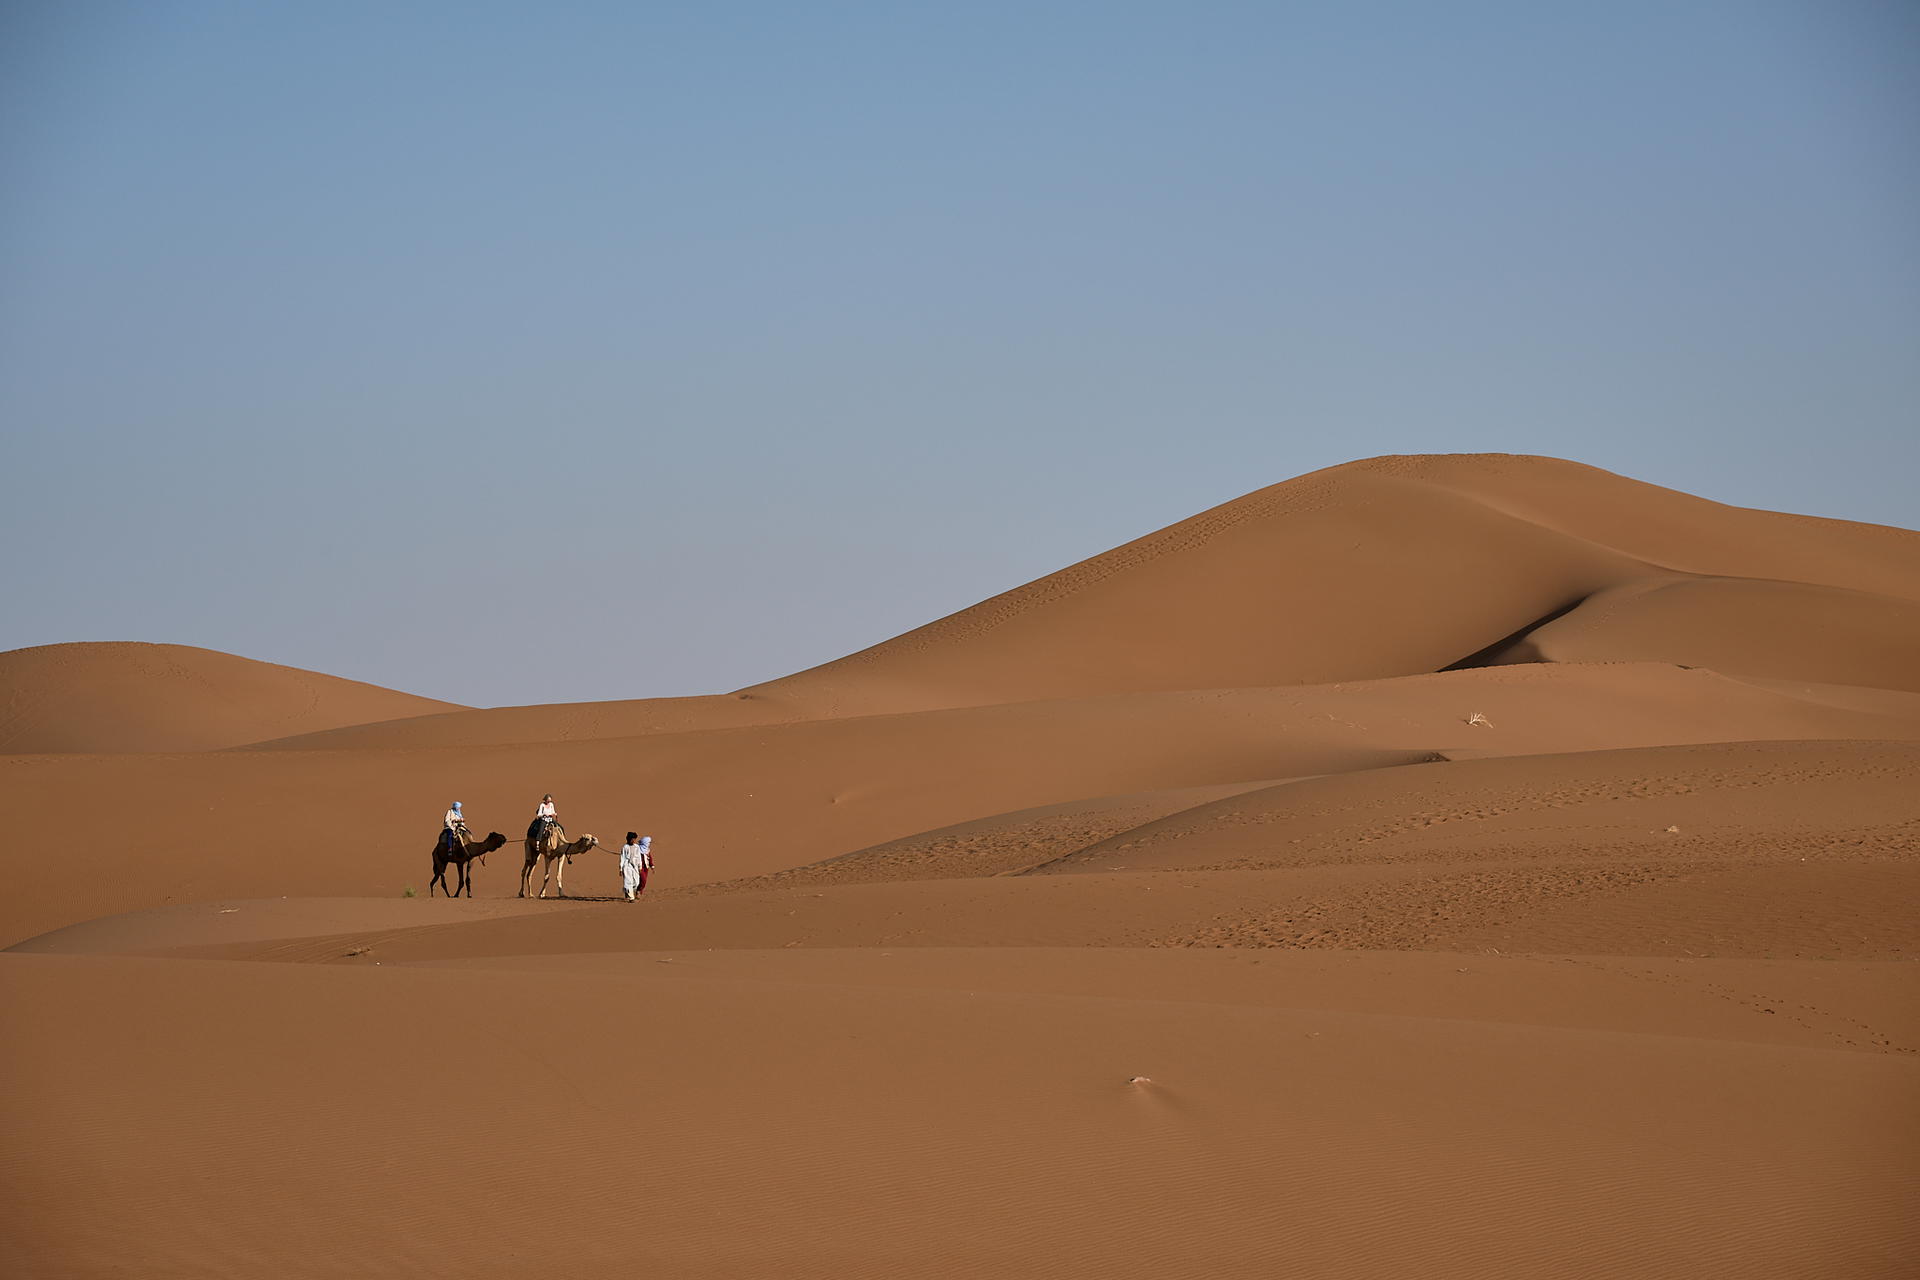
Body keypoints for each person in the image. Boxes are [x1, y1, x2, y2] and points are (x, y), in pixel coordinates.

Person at [619, 833, 652, 902]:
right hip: (627, 865)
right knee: (628, 881)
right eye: (632, 839)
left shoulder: (637, 847)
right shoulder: (625, 847)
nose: (634, 840)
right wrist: (620, 868)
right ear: (629, 839)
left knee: (636, 882)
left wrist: (640, 867)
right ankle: (631, 898)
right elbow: (622, 858)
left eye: (634, 839)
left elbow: (639, 857)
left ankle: (627, 891)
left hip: (635, 866)